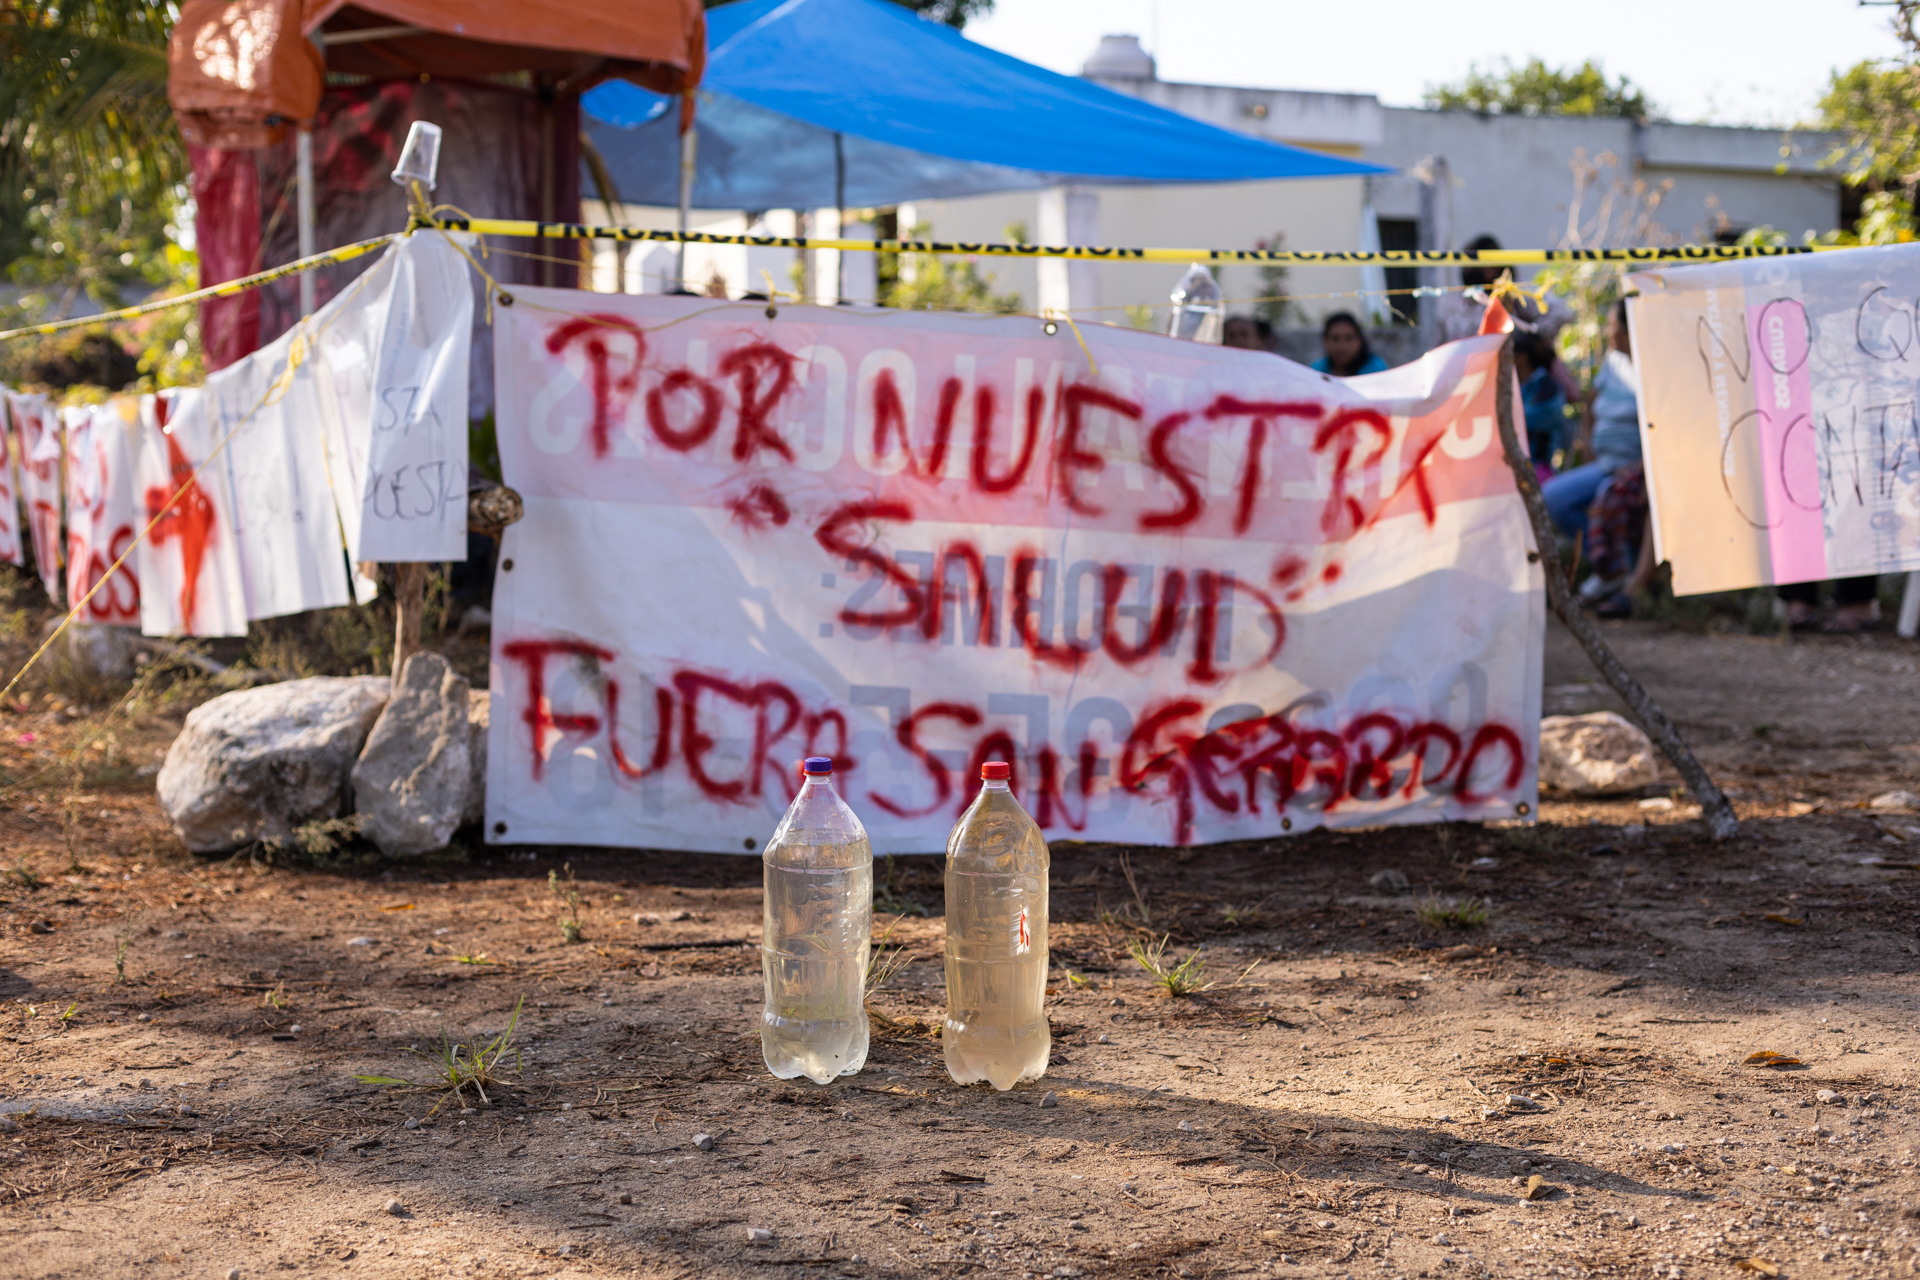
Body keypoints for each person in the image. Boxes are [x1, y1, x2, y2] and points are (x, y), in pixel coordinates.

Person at [1542, 300, 1639, 544]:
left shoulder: (1652, 366)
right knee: (1553, 498)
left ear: (1629, 330)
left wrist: (1639, 469)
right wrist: (1587, 443)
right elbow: (1589, 403)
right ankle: (1602, 562)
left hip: (1632, 472)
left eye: (1612, 325)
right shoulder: (1614, 361)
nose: (1607, 331)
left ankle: (1618, 567)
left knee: (1615, 506)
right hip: (1604, 465)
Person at [1512, 330, 1568, 479]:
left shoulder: (1547, 387)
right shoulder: (1515, 386)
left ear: (1521, 357)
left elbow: (1522, 421)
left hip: (1539, 470)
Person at [1311, 311, 1387, 376]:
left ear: (1360, 340)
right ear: (1325, 341)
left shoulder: (1376, 371)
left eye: (1349, 338)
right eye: (1335, 339)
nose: (1342, 346)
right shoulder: (1317, 371)